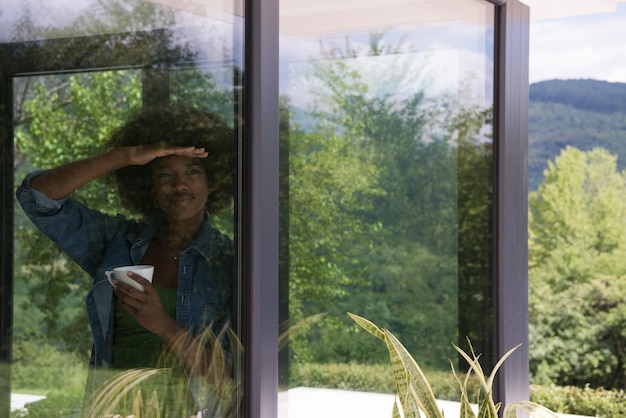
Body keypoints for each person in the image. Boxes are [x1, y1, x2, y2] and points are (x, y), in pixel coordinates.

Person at [16, 104, 237, 417]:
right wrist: (127, 156)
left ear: (212, 181)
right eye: (164, 175)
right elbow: (37, 198)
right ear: (149, 186)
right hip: (113, 410)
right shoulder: (117, 241)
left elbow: (230, 380)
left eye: (192, 172)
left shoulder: (229, 263)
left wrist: (163, 324)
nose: (180, 185)